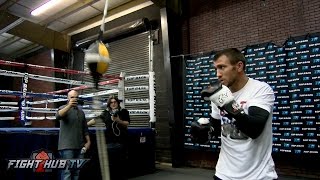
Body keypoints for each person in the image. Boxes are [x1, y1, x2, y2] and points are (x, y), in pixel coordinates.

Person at [198, 48, 278, 180]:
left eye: (222, 67)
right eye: (216, 69)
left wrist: (228, 104)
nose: (218, 74)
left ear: (239, 66)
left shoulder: (260, 89)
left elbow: (254, 130)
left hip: (257, 176)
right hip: (223, 174)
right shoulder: (219, 93)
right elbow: (217, 128)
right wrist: (205, 132)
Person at [87, 95, 130, 180]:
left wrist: (118, 120)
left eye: (115, 102)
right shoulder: (106, 113)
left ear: (118, 103)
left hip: (120, 142)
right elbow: (96, 119)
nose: (113, 104)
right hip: (109, 141)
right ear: (109, 104)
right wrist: (85, 125)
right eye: (111, 102)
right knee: (109, 163)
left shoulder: (124, 112)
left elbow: (127, 123)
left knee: (119, 164)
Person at [55, 90, 91, 180]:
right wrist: (69, 105)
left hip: (80, 147)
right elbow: (58, 116)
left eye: (76, 97)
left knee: (77, 172)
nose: (74, 99)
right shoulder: (63, 108)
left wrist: (88, 142)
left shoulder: (81, 112)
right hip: (67, 147)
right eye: (72, 97)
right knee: (67, 172)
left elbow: (85, 129)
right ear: (68, 98)